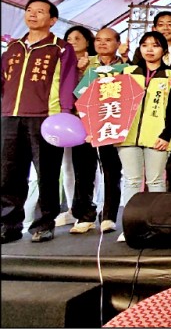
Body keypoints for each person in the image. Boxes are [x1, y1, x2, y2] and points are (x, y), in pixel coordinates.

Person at [1, 0, 79, 243]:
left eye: (40, 11)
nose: (32, 15)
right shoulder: (13, 47)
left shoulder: (61, 48)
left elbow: (68, 81)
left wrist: (65, 111)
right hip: (10, 116)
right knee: (8, 173)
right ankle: (9, 224)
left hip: (46, 118)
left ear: (52, 20)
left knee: (46, 173)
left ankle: (44, 224)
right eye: (29, 10)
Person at [68, 28, 127, 234]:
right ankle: (85, 214)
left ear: (117, 43)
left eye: (108, 40)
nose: (102, 44)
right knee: (83, 171)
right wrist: (78, 71)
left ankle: (109, 215)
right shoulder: (85, 63)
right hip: (84, 124)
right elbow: (69, 92)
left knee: (111, 170)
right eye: (99, 40)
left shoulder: (126, 67)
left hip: (112, 125)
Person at [116, 31, 171, 213]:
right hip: (126, 136)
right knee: (131, 180)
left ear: (164, 51)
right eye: (145, 45)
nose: (149, 49)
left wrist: (167, 135)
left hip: (158, 137)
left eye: (155, 45)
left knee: (156, 180)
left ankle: (155, 221)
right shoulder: (127, 72)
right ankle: (130, 223)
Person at [61, 26, 95, 229]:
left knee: (86, 168)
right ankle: (71, 209)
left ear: (88, 42)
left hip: (88, 122)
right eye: (68, 38)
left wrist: (83, 70)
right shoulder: (61, 63)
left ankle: (87, 209)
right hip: (63, 121)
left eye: (77, 38)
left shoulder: (95, 64)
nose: (72, 41)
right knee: (67, 167)